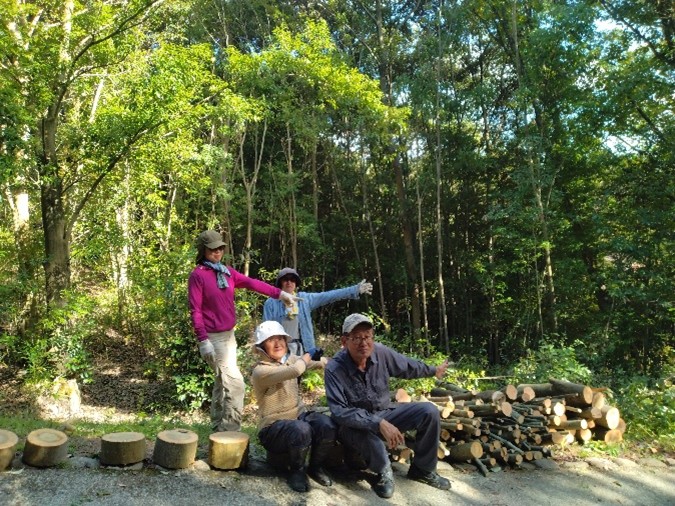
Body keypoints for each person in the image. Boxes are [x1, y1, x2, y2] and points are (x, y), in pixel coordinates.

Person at [324, 313, 451, 499]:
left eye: (367, 336)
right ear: (344, 341)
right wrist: (378, 423)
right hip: (353, 426)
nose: (363, 343)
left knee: (429, 411)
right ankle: (384, 472)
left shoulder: (380, 353)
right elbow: (340, 412)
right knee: (369, 437)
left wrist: (433, 370)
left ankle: (422, 470)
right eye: (357, 337)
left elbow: (407, 366)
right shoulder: (334, 368)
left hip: (385, 412)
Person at [188, 230, 297, 432]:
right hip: (213, 338)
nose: (217, 252)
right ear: (203, 250)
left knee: (223, 381)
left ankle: (217, 423)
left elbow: (252, 283)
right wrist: (203, 340)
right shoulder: (198, 275)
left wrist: (280, 294)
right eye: (213, 249)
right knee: (236, 384)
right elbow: (195, 310)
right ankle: (229, 432)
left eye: (220, 248)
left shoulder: (226, 272)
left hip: (229, 337)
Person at [251, 320, 338, 493]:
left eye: (280, 338)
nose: (278, 343)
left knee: (326, 425)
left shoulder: (290, 360)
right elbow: (297, 370)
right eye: (271, 340)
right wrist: (307, 355)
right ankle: (297, 471)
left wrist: (333, 361)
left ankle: (315, 467)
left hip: (298, 417)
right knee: (301, 429)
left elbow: (314, 363)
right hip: (272, 428)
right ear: (261, 347)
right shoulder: (260, 371)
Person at [263, 267, 373, 356]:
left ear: (296, 283)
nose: (289, 282)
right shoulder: (271, 303)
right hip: (280, 349)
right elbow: (266, 330)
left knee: (298, 378)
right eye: (285, 279)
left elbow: (329, 295)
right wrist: (266, 351)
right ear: (280, 282)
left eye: (292, 279)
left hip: (302, 349)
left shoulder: (304, 300)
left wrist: (355, 290)